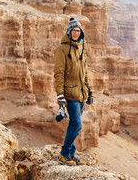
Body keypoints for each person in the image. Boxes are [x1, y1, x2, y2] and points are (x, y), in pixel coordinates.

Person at [54, 17, 93, 166]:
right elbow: (58, 74)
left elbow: (85, 72)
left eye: (78, 30)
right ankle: (64, 154)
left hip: (81, 93)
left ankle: (70, 154)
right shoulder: (62, 50)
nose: (76, 33)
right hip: (69, 94)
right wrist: (60, 94)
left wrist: (90, 91)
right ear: (69, 32)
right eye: (74, 30)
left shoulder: (81, 48)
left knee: (73, 125)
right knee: (77, 124)